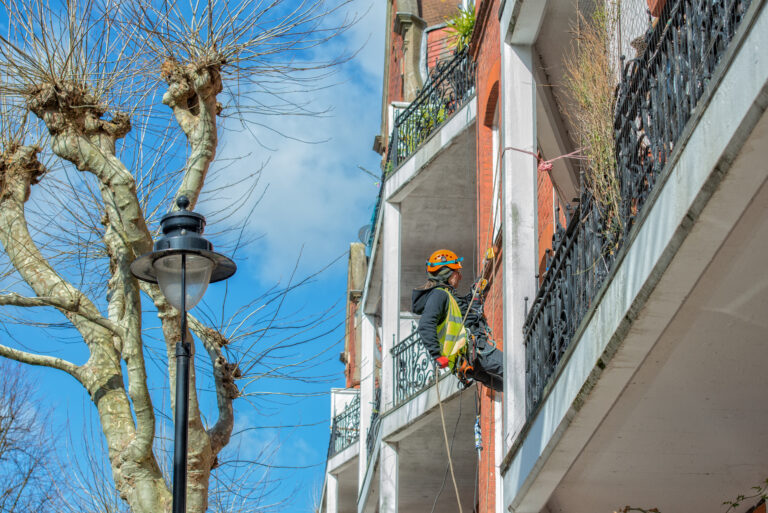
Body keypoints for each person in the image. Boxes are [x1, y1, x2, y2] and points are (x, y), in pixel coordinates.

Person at [411, 249, 503, 392]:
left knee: (505, 384)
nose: (460, 276)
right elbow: (425, 325)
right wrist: (436, 355)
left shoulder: (447, 296)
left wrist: (476, 294)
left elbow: (464, 313)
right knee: (513, 369)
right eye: (456, 272)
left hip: (466, 361)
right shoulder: (439, 295)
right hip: (474, 352)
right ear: (446, 273)